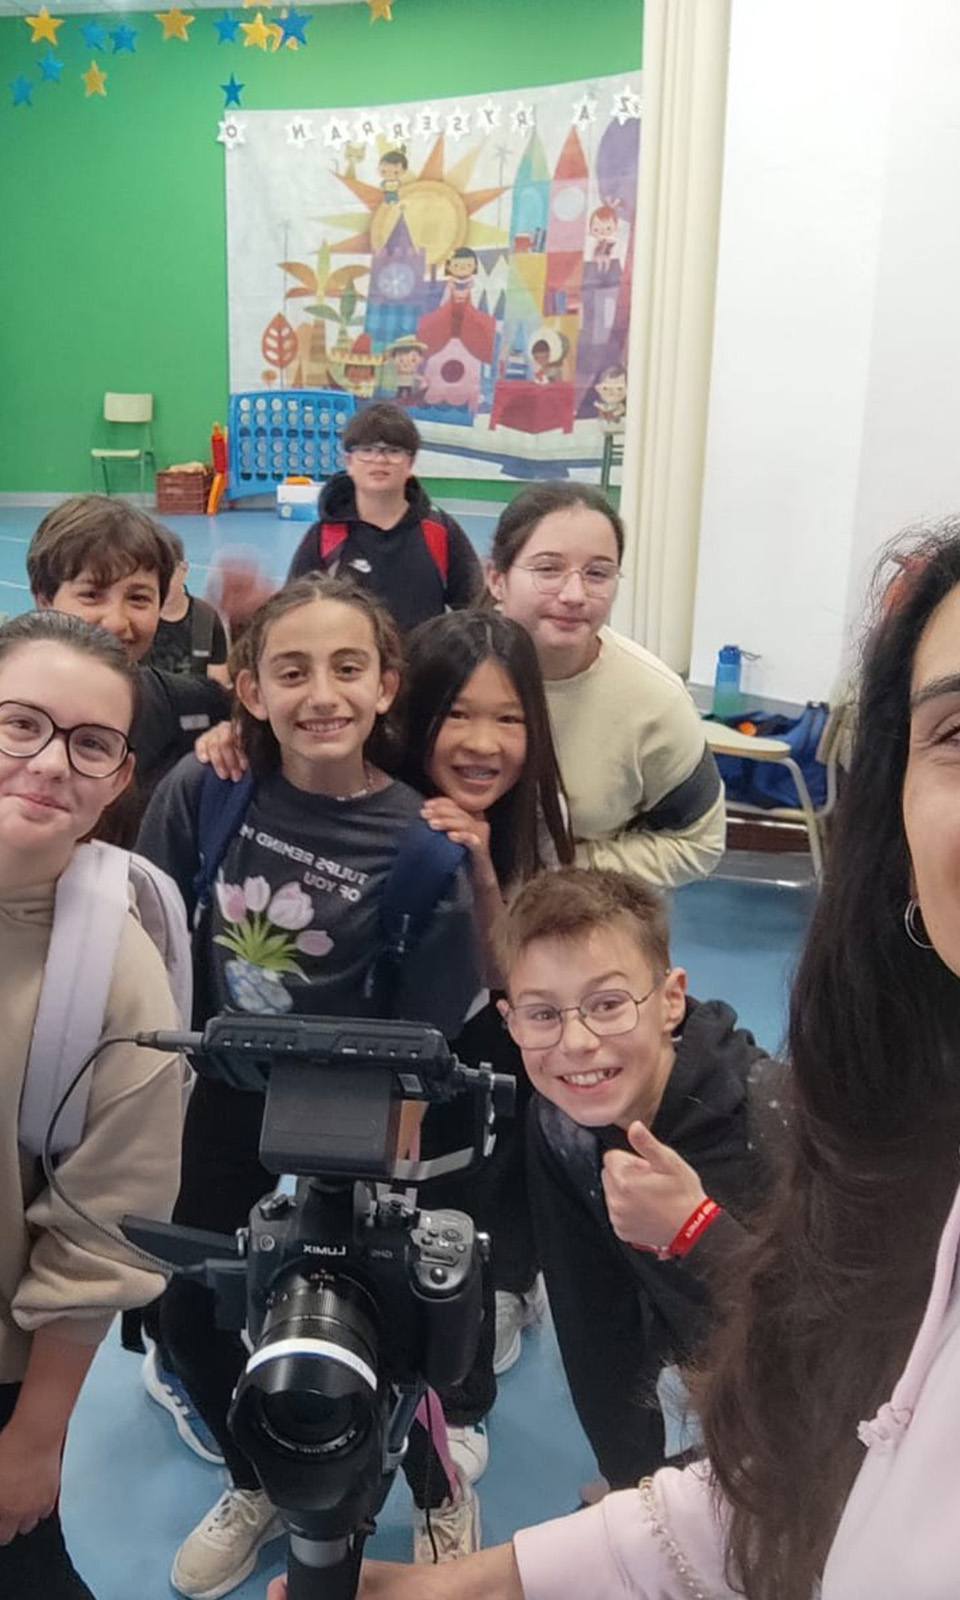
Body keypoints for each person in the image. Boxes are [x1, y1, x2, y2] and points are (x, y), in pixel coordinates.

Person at [270, 487, 960, 1600]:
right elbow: (832, 1463)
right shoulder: (937, 1172)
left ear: (668, 997)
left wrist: (695, 1233)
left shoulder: (761, 1114)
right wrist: (514, 1570)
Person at [136, 576, 482, 1598]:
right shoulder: (207, 789)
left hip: (362, 1107)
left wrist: (401, 1135)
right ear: (250, 689)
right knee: (193, 1311)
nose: (321, 693)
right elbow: (149, 929)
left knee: (395, 1331)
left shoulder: (423, 844)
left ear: (385, 686)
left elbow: (432, 1026)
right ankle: (255, 1480)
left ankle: (435, 1483)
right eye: (291, 671)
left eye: (347, 668)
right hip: (229, 1087)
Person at [0, 610, 184, 1599]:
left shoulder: (114, 971)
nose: (47, 762)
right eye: (19, 723)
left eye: (90, 743)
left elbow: (102, 1226)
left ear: (118, 780)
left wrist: (34, 1438)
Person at [498, 868, 781, 1492]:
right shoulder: (561, 1122)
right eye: (542, 1014)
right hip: (698, 1385)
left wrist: (696, 1232)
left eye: (607, 1004)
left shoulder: (774, 1120)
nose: (576, 1043)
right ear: (510, 1023)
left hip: (801, 1421)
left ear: (670, 1000)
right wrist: (631, 1480)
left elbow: (836, 1344)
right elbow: (591, 1317)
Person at [399, 612, 574, 1477]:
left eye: (508, 718)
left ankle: (463, 1400)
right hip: (393, 1045)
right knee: (391, 1207)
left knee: (475, 1204)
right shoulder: (383, 799)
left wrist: (479, 868)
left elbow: (516, 981)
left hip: (486, 1038)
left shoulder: (533, 814)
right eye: (458, 715)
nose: (483, 744)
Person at [486, 483, 725, 890]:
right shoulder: (447, 667)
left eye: (597, 574)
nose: (574, 595)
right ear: (497, 578)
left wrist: (561, 869)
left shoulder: (654, 699)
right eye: (548, 569)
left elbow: (700, 841)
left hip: (576, 910)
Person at [26, 496, 229, 831]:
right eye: (91, 595)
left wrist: (234, 735)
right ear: (44, 600)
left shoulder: (189, 704)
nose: (117, 622)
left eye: (138, 598)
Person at [286, 400, 482, 633]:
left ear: (410, 463)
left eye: (393, 451)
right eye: (367, 450)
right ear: (349, 462)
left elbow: (476, 611)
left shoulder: (440, 531)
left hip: (423, 657)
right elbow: (295, 613)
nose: (379, 460)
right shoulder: (324, 537)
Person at [143, 528, 231, 687]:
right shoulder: (136, 619)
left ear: (183, 570)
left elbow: (218, 684)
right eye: (155, 575)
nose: (162, 583)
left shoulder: (206, 618)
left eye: (167, 573)